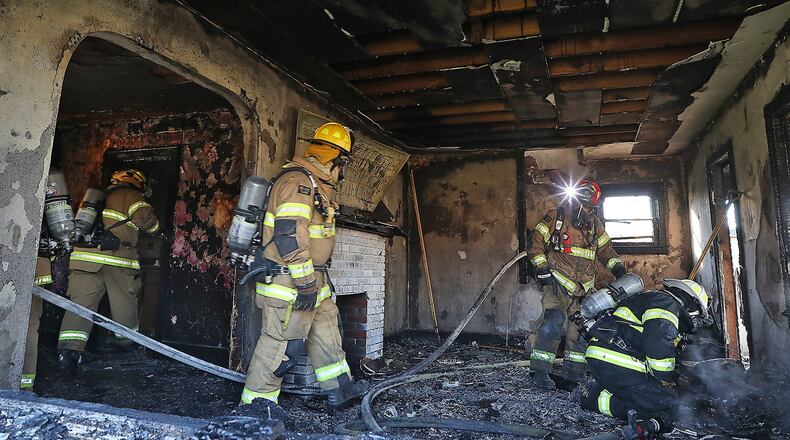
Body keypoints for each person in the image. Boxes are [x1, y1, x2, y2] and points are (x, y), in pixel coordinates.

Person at [241, 122, 368, 409]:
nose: (342, 173)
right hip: (291, 282)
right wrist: (306, 283)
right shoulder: (297, 183)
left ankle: (340, 389)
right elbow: (289, 237)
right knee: (280, 346)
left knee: (327, 333)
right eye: (342, 165)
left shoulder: (315, 186)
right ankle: (257, 406)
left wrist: (314, 283)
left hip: (312, 280)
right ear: (335, 160)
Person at [527, 179, 627, 389]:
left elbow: (606, 251)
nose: (587, 211)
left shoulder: (595, 225)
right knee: (553, 323)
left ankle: (574, 375)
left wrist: (619, 270)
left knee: (579, 332)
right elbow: (535, 246)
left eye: (591, 208)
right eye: (586, 206)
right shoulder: (556, 216)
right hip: (558, 282)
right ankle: (540, 372)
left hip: (584, 288)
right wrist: (543, 270)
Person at [579, 279, 711, 437]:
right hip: (616, 360)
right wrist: (667, 380)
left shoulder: (651, 298)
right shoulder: (666, 304)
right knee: (666, 403)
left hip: (606, 356)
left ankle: (601, 393)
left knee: (656, 397)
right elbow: (658, 346)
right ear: (691, 303)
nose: (695, 321)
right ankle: (594, 400)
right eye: (697, 315)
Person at [57, 169, 159, 370]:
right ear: (137, 183)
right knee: (124, 303)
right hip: (116, 260)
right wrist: (159, 229)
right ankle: (127, 346)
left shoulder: (93, 199)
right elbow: (144, 219)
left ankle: (69, 353)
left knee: (79, 306)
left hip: (83, 260)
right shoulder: (132, 195)